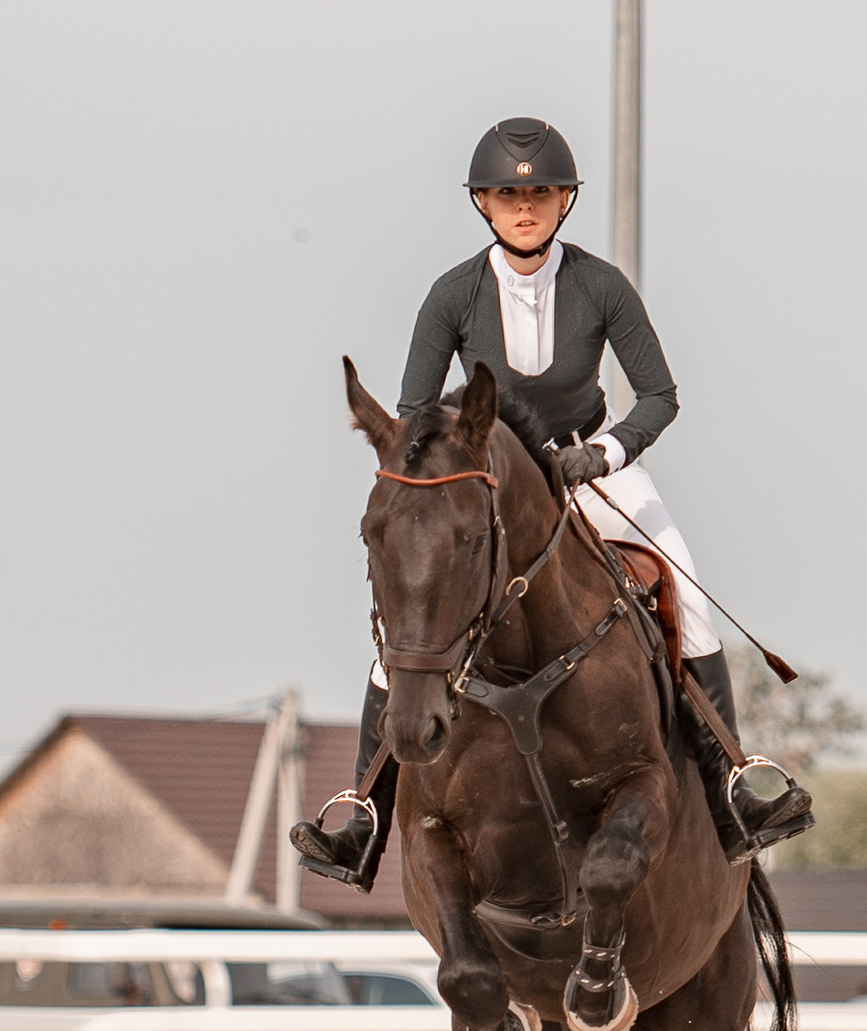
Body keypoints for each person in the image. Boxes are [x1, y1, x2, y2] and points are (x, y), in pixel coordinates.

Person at [291, 116, 815, 891]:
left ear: (565, 200)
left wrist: (603, 453)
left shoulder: (601, 285)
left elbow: (661, 396)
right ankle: (363, 810)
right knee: (412, 616)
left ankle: (731, 783)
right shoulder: (451, 294)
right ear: (484, 205)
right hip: (487, 477)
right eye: (508, 194)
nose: (524, 206)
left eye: (540, 193)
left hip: (588, 463)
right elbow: (412, 410)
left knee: (685, 583)